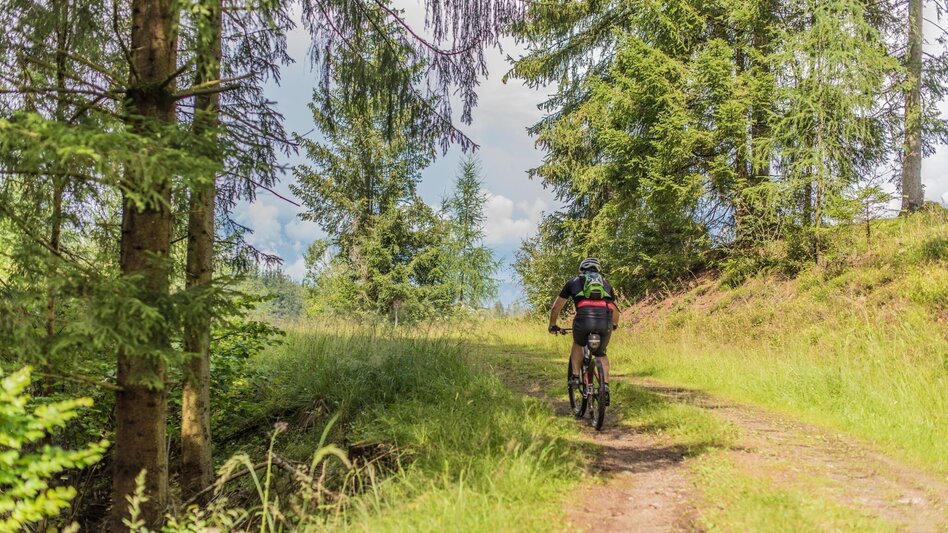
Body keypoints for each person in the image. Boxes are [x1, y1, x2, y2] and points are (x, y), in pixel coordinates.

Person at [548, 257, 619, 405]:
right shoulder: (605, 284)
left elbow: (556, 307)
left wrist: (553, 324)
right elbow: (615, 310)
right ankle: (605, 386)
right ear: (598, 270)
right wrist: (614, 325)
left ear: (582, 270)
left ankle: (574, 376)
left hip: (583, 320)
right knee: (601, 353)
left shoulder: (574, 282)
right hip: (604, 321)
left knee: (578, 344)